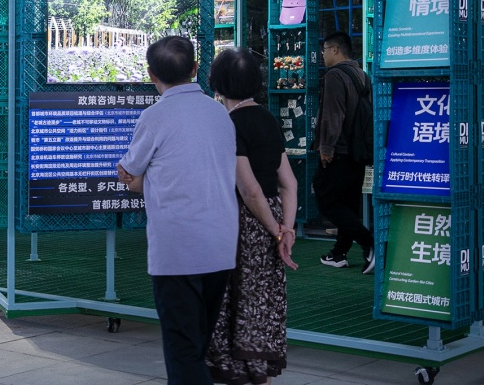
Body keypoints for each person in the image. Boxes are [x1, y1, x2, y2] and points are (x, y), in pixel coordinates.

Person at [116, 36, 238, 385]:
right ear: (196, 68)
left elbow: (130, 171)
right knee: (198, 339)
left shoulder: (153, 117)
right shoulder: (219, 112)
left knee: (183, 347)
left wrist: (140, 178)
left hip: (176, 247)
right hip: (220, 244)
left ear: (150, 74)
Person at [205, 48, 299, 385]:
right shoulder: (267, 118)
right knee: (262, 301)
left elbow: (249, 190)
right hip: (271, 218)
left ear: (218, 83)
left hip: (242, 223)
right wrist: (286, 229)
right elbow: (288, 183)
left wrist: (276, 231)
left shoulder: (230, 124)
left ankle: (241, 374)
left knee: (236, 300)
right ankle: (262, 374)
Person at [313, 31, 375, 273]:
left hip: (338, 151)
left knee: (326, 199)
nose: (323, 55)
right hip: (358, 151)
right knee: (347, 203)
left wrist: (326, 147)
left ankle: (370, 243)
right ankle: (339, 253)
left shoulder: (335, 75)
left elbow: (333, 114)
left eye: (324, 50)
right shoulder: (362, 75)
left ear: (335, 50)